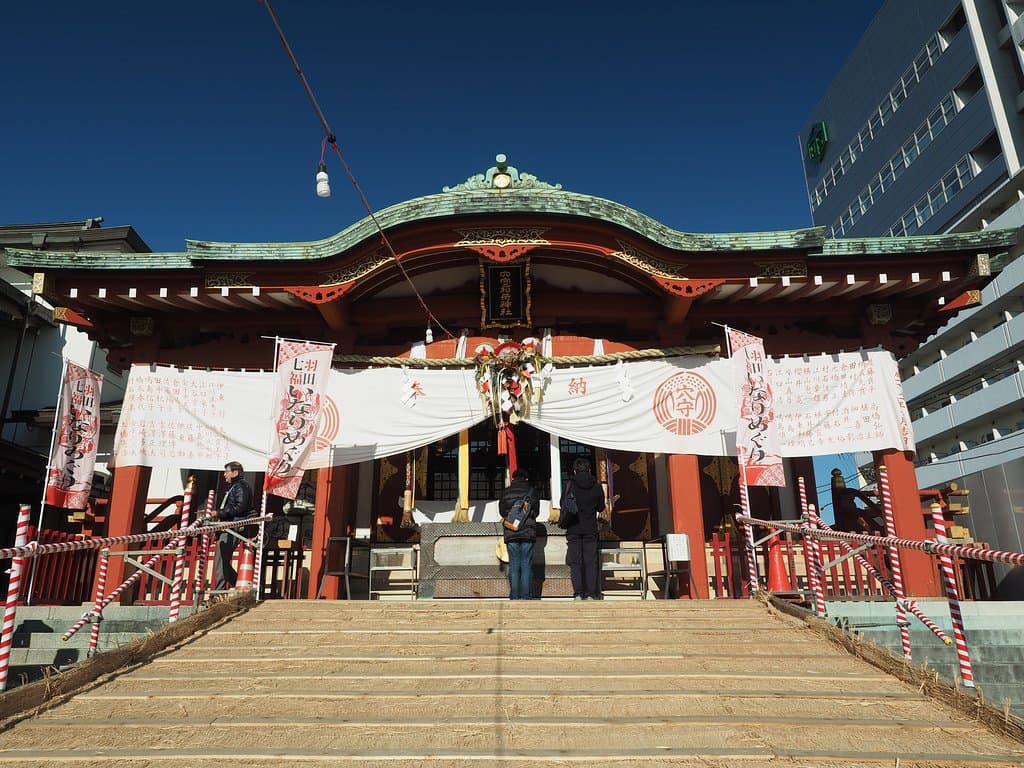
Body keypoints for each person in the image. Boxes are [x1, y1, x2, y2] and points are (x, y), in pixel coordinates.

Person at [565, 457, 606, 600]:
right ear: (589, 470)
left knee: (575, 562)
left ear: (575, 471)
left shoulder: (570, 485)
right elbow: (601, 507)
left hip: (573, 528)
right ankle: (590, 594)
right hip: (590, 529)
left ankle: (578, 593)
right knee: (590, 562)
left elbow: (563, 503)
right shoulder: (597, 487)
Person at [499, 468, 539, 600]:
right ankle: (526, 596)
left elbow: (502, 512)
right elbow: (536, 512)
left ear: (513, 478)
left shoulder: (506, 492)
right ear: (526, 478)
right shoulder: (532, 491)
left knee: (514, 565)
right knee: (526, 564)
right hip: (528, 532)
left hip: (511, 532)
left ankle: (515, 596)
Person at [213, 461, 254, 591]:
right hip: (229, 525)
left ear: (235, 472)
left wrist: (220, 513)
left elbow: (240, 507)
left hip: (235, 526)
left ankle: (219, 591)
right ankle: (238, 583)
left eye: (227, 472)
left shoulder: (241, 486)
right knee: (222, 560)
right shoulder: (235, 486)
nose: (224, 475)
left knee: (221, 559)